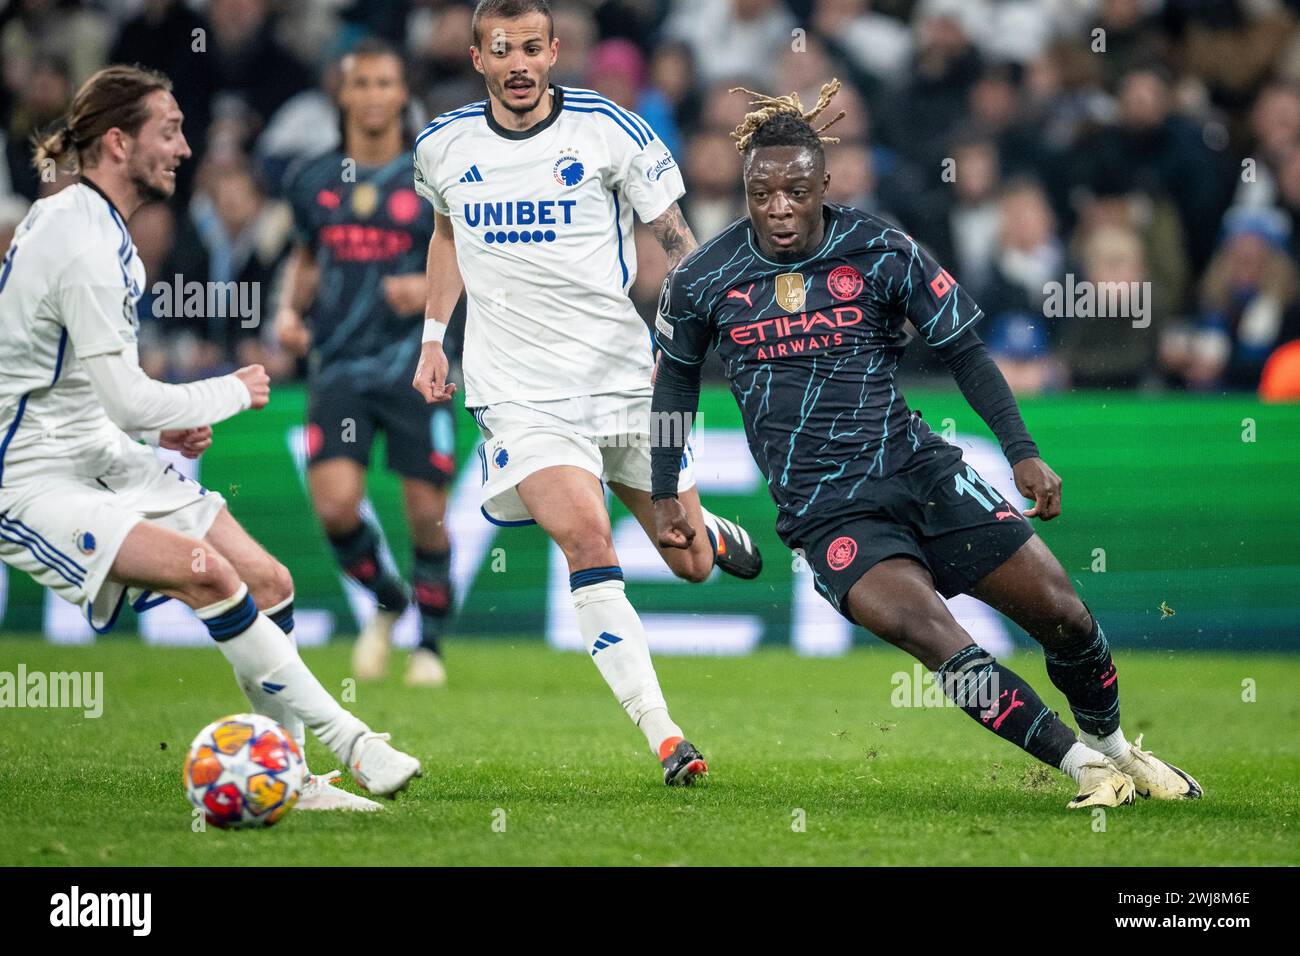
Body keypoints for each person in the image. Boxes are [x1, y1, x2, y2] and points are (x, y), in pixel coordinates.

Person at [649, 80, 1202, 809]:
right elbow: (674, 387)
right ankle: (1080, 767)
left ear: (824, 184)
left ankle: (1115, 747)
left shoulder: (882, 249)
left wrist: (1021, 448)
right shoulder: (702, 278)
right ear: (745, 190)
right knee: (934, 636)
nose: (778, 208)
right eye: (762, 193)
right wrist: (663, 494)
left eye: (795, 189)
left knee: (1064, 616)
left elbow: (966, 353)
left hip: (920, 472)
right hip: (828, 513)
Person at [0, 65, 421, 811]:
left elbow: (93, 388)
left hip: (96, 450)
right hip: (34, 476)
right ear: (119, 141)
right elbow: (125, 396)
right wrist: (232, 388)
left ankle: (289, 777)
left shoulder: (97, 225)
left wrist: (162, 418)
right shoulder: (81, 238)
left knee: (269, 583)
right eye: (169, 131)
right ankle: (352, 742)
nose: (186, 148)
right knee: (206, 571)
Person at [411, 0, 763, 786]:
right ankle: (667, 736)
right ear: (478, 59)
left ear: (554, 50)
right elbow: (445, 236)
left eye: (532, 48)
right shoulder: (443, 146)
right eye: (502, 51)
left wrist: (711, 326)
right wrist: (434, 339)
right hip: (516, 396)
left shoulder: (609, 127)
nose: (519, 65)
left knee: (689, 560)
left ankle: (711, 531)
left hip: (619, 379)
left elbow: (674, 236)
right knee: (589, 543)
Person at [277, 40, 455, 687]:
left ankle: (430, 646)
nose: (375, 95)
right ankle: (389, 597)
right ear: (343, 95)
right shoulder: (314, 181)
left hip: (416, 366)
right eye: (363, 83)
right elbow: (305, 259)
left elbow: (464, 261)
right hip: (341, 366)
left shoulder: (430, 176)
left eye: (387, 83)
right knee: (336, 507)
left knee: (424, 511)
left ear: (403, 94)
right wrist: (289, 315)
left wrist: (426, 295)